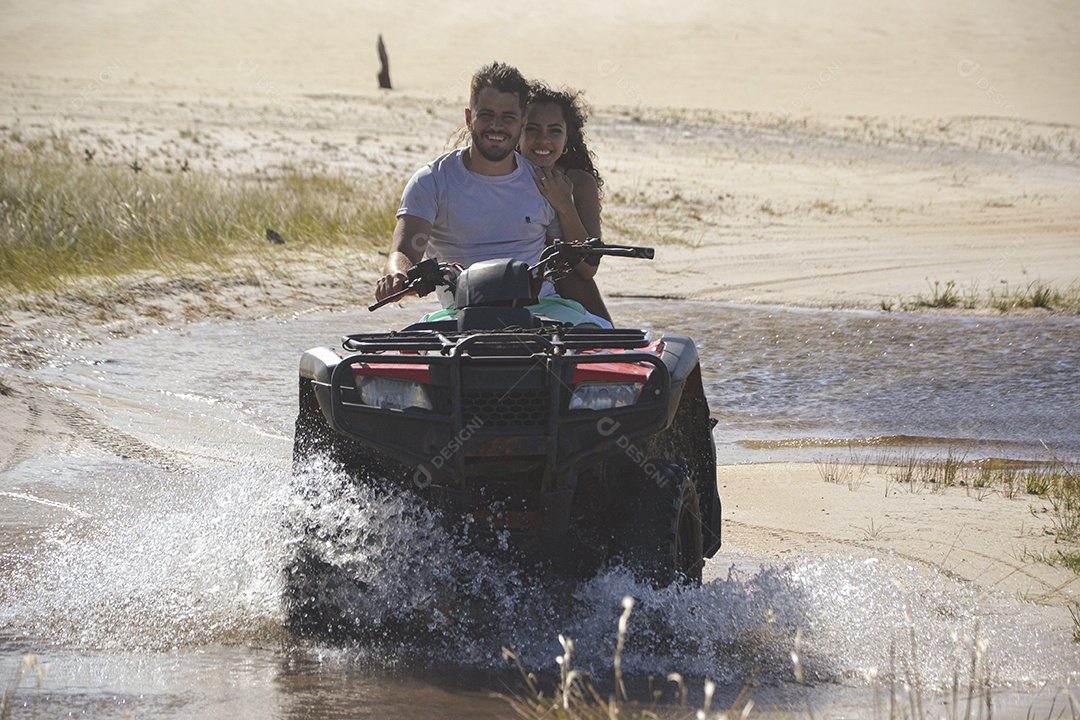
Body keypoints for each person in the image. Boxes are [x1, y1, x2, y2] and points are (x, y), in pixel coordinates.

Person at [375, 62, 589, 305]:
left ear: (522, 123)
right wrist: (396, 274)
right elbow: (403, 252)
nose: (496, 126)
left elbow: (578, 265)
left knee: (596, 326)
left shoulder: (545, 183)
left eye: (508, 117)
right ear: (469, 118)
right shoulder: (431, 181)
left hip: (541, 311)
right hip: (462, 316)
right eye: (486, 115)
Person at [518, 82, 611, 323]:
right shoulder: (500, 179)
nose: (543, 140)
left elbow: (588, 268)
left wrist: (564, 206)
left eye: (554, 131)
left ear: (567, 136)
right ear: (517, 131)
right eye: (532, 129)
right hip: (512, 292)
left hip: (569, 293)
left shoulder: (579, 183)